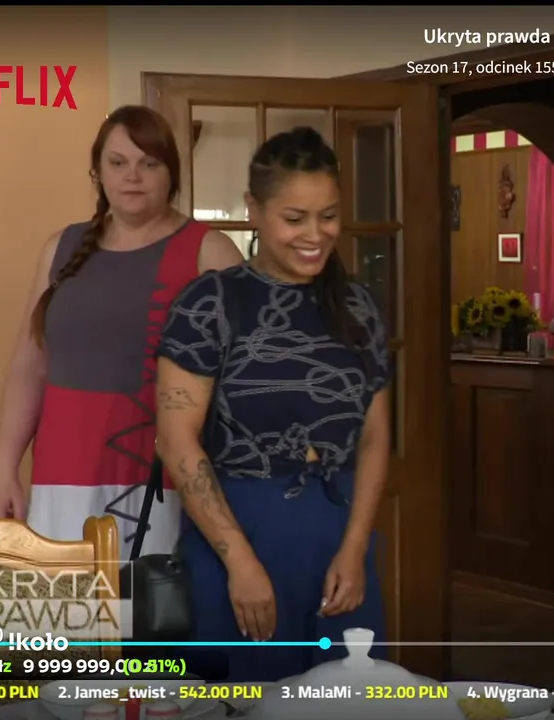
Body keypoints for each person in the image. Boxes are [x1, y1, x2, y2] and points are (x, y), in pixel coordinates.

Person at [155, 127, 390, 682]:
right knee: (241, 699)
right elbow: (176, 441)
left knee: (346, 697)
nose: (315, 234)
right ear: (254, 210)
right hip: (239, 532)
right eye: (295, 218)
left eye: (328, 216)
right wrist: (239, 561)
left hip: (337, 533)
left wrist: (356, 547)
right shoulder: (210, 302)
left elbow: (376, 436)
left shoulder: (358, 306)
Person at [0, 105, 244, 555]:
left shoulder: (210, 252)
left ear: (171, 173)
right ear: (98, 172)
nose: (132, 176)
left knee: (150, 598)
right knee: (67, 597)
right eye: (118, 162)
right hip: (62, 474)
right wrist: (2, 471)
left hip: (163, 477)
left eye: (149, 163)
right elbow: (29, 366)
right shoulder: (61, 248)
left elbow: (242, 383)